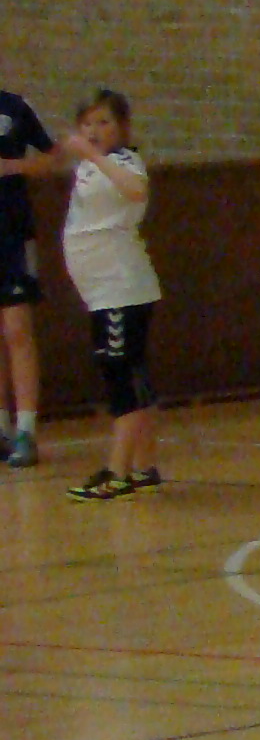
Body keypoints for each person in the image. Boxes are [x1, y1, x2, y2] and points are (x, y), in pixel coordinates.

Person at [56, 90, 162, 503]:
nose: (94, 131)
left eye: (103, 122)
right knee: (131, 373)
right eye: (87, 123)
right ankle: (145, 465)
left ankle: (117, 472)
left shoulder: (123, 161)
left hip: (121, 287)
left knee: (121, 376)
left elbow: (136, 191)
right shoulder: (89, 166)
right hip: (101, 291)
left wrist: (92, 155)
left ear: (122, 127)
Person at [0, 78, 52, 467]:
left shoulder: (15, 107)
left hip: (13, 235)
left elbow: (53, 158)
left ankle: (26, 430)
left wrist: (14, 166)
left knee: (17, 328)